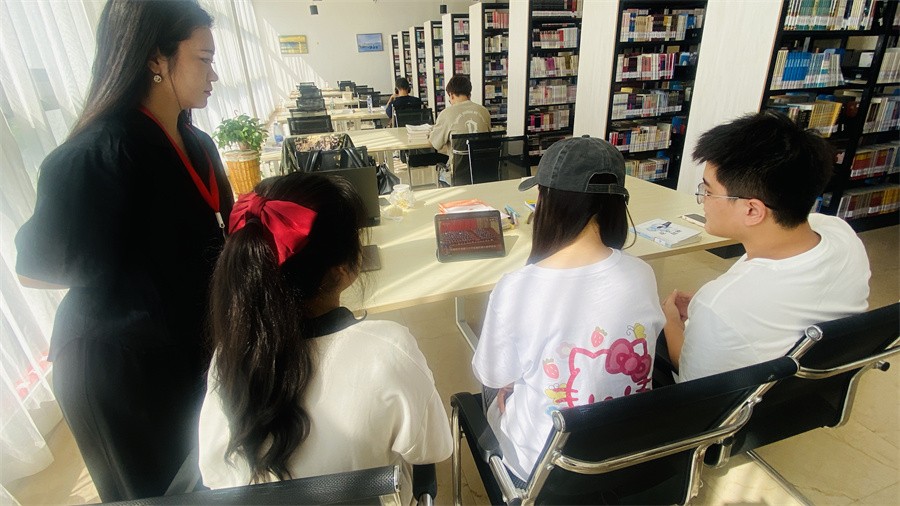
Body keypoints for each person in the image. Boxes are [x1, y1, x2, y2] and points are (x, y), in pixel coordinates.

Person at [13, 0, 231, 501]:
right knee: (154, 492)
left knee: (205, 475)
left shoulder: (197, 144)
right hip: (122, 367)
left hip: (187, 346)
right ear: (156, 58)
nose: (214, 75)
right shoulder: (96, 154)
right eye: (203, 59)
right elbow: (35, 269)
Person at [199, 172, 452, 504]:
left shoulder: (229, 355)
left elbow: (214, 473)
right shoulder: (388, 351)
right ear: (341, 271)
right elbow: (432, 448)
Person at [472, 136, 665, 481]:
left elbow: (493, 375)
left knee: (496, 387)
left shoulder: (516, 287)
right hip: (625, 450)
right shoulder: (641, 273)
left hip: (543, 467)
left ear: (547, 202)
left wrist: (510, 384)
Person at [661, 111, 871, 383]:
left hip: (732, 401)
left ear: (752, 210)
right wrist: (707, 317)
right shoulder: (841, 233)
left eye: (709, 191)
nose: (702, 198)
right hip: (798, 391)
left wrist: (670, 320)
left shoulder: (722, 304)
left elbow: (693, 380)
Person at [430, 74, 491, 184]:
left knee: (441, 172)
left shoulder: (446, 114)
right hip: (484, 172)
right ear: (469, 93)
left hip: (459, 175)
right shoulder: (484, 111)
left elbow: (436, 144)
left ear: (451, 95)